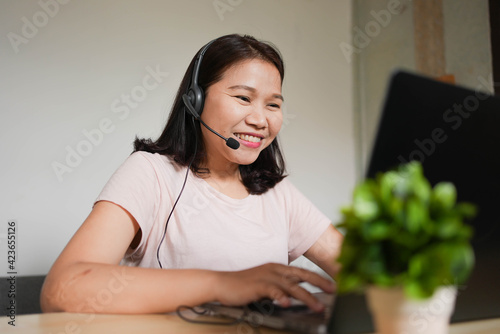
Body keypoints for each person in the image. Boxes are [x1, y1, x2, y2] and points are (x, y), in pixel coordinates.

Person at [41, 34, 343, 315]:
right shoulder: (151, 174)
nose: (260, 120)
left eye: (273, 104)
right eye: (243, 98)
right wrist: (221, 284)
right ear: (195, 100)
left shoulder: (278, 194)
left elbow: (367, 273)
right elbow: (61, 290)